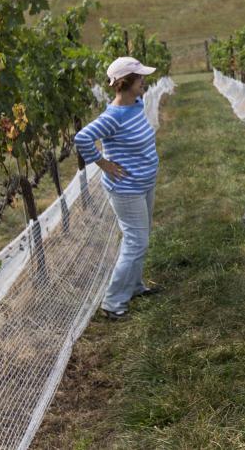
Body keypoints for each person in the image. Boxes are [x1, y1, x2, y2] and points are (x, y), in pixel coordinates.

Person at [74, 57, 161, 320]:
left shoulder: (137, 104)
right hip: (126, 189)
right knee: (136, 242)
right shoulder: (112, 117)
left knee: (140, 237)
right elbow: (82, 138)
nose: (144, 80)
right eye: (140, 77)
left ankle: (133, 286)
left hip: (144, 183)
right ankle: (113, 303)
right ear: (127, 82)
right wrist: (102, 162)